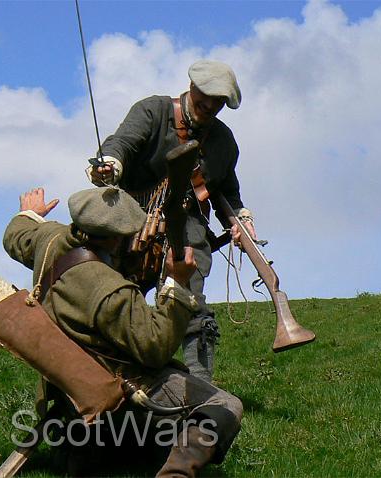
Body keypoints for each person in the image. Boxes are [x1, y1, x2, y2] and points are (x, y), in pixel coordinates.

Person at [3, 186, 243, 477]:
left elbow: (16, 235)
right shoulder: (110, 291)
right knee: (225, 405)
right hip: (116, 389)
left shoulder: (49, 238)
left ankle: (92, 451)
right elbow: (155, 348)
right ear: (118, 238)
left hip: (68, 393)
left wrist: (31, 214)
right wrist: (177, 285)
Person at [86, 59, 257, 382]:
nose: (209, 106)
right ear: (191, 87)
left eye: (217, 102)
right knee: (113, 297)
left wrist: (240, 220)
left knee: (192, 304)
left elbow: (227, 192)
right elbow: (121, 143)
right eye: (204, 96)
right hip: (132, 217)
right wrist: (109, 165)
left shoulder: (223, 141)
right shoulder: (153, 111)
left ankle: (200, 387)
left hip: (187, 225)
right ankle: (105, 377)